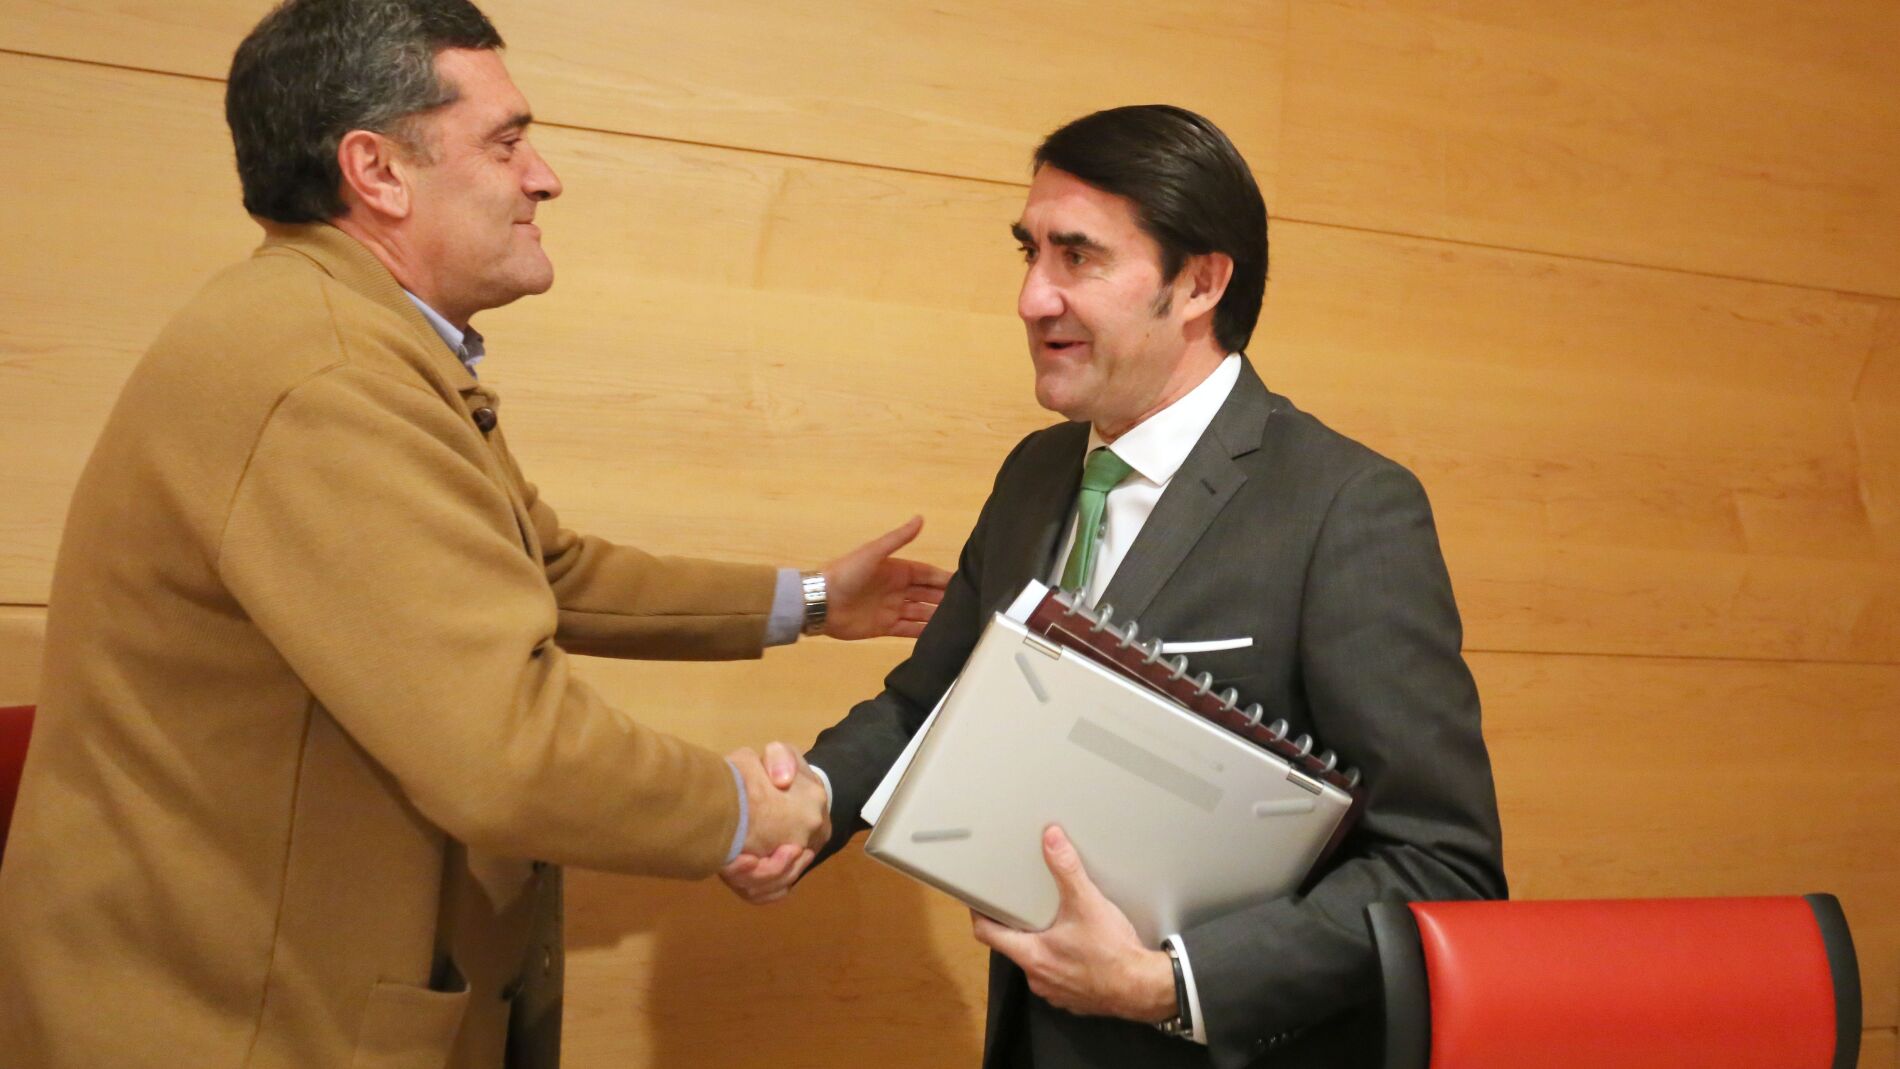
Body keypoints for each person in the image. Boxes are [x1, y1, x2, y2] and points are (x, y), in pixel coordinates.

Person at [0, 1, 949, 1067]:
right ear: (378, 171)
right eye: (506, 142)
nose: (545, 177)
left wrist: (814, 601)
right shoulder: (329, 378)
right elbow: (507, 751)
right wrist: (744, 811)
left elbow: (549, 568)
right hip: (231, 1019)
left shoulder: (343, 332)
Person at [721, 106, 1507, 1067]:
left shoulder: (1345, 506)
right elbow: (928, 702)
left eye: (1078, 257)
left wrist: (1173, 982)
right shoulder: (1035, 472)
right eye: (1030, 252)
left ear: (1200, 283)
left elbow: (1441, 867)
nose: (1031, 298)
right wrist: (812, 802)